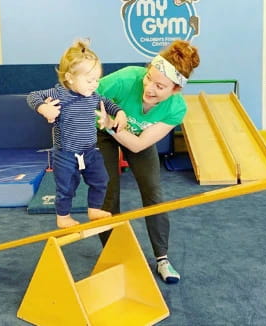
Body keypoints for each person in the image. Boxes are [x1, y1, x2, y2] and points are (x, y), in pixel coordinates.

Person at [96, 40, 200, 284]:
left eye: (160, 86)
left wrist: (114, 126)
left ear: (175, 89)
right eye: (149, 78)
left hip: (131, 137)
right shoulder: (126, 78)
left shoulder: (177, 108)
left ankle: (162, 258)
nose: (150, 88)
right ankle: (114, 255)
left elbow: (138, 145)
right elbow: (85, 97)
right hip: (101, 131)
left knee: (153, 192)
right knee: (108, 193)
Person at [27, 40, 127, 229]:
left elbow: (108, 103)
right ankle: (63, 217)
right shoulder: (59, 93)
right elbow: (32, 96)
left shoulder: (93, 96)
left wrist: (120, 113)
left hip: (89, 150)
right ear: (70, 78)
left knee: (101, 179)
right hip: (65, 152)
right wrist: (44, 108)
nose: (95, 85)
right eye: (89, 81)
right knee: (66, 187)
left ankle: (94, 208)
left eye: (97, 80)